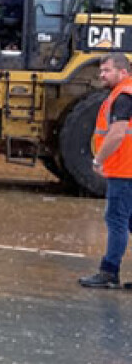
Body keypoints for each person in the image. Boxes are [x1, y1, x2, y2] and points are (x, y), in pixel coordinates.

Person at [79, 53, 132, 288]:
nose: (101, 75)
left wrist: (98, 160)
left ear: (123, 72)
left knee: (116, 220)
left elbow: (118, 133)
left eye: (107, 70)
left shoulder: (123, 96)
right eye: (101, 71)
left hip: (123, 169)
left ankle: (109, 272)